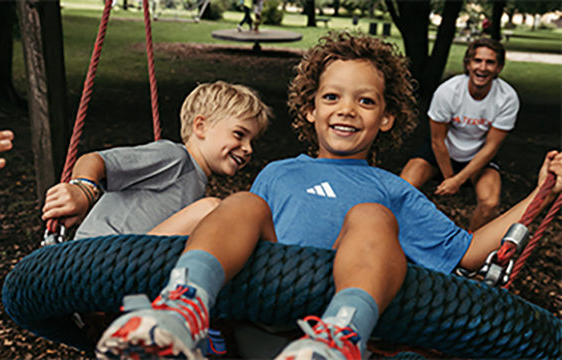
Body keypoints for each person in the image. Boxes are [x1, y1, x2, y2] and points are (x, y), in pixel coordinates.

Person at [95, 32, 562, 360]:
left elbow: (468, 253)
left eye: (366, 101)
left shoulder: (390, 188)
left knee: (372, 216)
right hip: (262, 321)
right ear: (310, 108)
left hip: (339, 323)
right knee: (240, 204)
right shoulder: (277, 173)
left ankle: (341, 333)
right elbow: (249, 236)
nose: (346, 110)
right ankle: (183, 306)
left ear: (387, 118)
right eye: (332, 97)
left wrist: (544, 191)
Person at [42, 81, 270, 239]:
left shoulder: (196, 184)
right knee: (213, 210)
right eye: (239, 135)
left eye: (253, 141)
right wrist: (84, 190)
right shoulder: (175, 157)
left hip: (129, 259)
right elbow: (94, 160)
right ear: (200, 126)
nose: (248, 149)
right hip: (101, 252)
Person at [400, 38, 519, 231]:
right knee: (402, 189)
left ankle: (471, 248)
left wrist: (458, 180)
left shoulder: (507, 98)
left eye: (490, 62)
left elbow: (491, 147)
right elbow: (437, 140)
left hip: (479, 155)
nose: (483, 67)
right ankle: (398, 238)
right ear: (468, 64)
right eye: (477, 61)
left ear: (499, 68)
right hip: (440, 152)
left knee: (490, 204)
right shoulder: (448, 91)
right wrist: (449, 176)